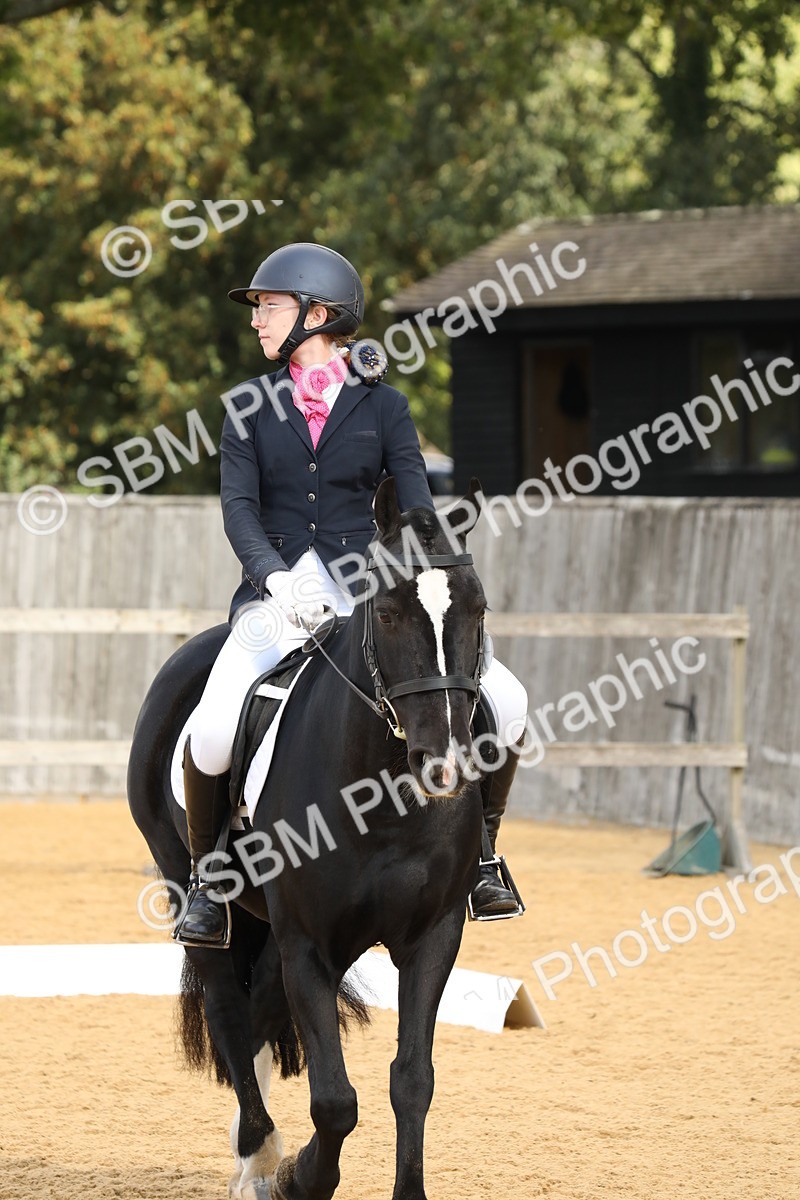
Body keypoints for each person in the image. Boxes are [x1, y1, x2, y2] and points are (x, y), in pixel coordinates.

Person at [174, 242, 528, 948]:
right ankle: (209, 881)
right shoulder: (247, 407)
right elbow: (239, 508)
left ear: (319, 313)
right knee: (213, 727)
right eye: (260, 309)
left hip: (371, 595)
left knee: (510, 701)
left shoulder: (386, 408)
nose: (258, 320)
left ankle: (484, 855)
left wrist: (408, 580)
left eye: (270, 306)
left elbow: (416, 513)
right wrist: (274, 579)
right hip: (275, 596)